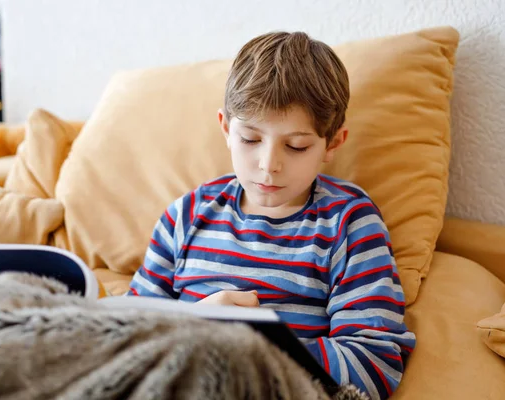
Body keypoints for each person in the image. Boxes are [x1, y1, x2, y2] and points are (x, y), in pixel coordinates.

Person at [127, 31, 416, 399]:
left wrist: (246, 344)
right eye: (250, 139)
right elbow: (128, 335)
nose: (269, 165)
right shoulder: (185, 215)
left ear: (332, 144)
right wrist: (194, 324)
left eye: (296, 146)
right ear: (226, 129)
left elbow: (373, 365)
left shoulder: (348, 222)